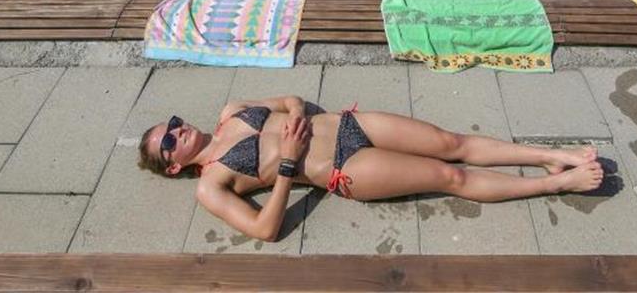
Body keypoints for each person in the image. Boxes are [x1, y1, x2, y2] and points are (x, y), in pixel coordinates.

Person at [139, 96, 604, 242]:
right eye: (168, 142)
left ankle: (549, 153)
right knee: (450, 177)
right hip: (344, 166)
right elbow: (264, 229)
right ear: (174, 167)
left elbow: (287, 101)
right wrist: (286, 165)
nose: (178, 132)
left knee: (450, 142)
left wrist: (297, 114)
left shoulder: (232, 109)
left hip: (346, 123)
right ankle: (556, 181)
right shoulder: (212, 185)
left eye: (174, 124)